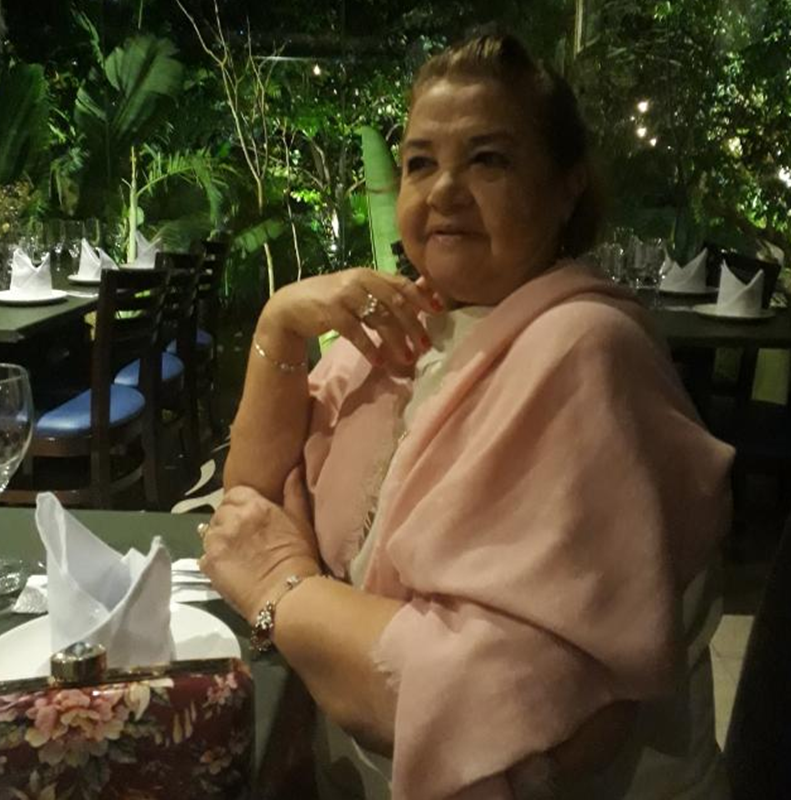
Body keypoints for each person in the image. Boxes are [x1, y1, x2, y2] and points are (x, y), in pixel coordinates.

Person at [199, 33, 735, 800]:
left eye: (488, 160)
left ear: (566, 189)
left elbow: (494, 705)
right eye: (420, 162)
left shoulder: (585, 350)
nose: (444, 189)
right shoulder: (406, 330)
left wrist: (282, 588)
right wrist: (280, 323)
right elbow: (247, 505)